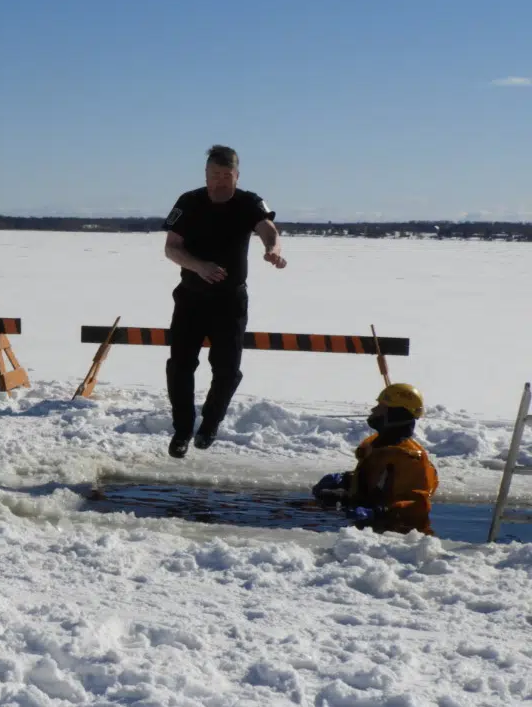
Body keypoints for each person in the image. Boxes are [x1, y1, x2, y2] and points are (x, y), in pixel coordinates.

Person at [162, 145, 285, 458]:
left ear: (237, 175)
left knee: (228, 370)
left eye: (226, 175)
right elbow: (171, 248)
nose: (219, 181)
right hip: (191, 297)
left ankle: (211, 423)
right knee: (180, 366)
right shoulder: (188, 202)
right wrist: (199, 266)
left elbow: (267, 228)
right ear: (205, 174)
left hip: (229, 301)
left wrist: (273, 249)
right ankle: (182, 430)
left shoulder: (248, 202)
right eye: (214, 175)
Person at [313, 383, 438, 535]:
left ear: (395, 414)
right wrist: (346, 480)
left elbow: (417, 507)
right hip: (369, 527)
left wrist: (378, 513)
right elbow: (379, 482)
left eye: (381, 407)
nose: (373, 410)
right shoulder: (377, 445)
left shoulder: (410, 458)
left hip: (400, 539)